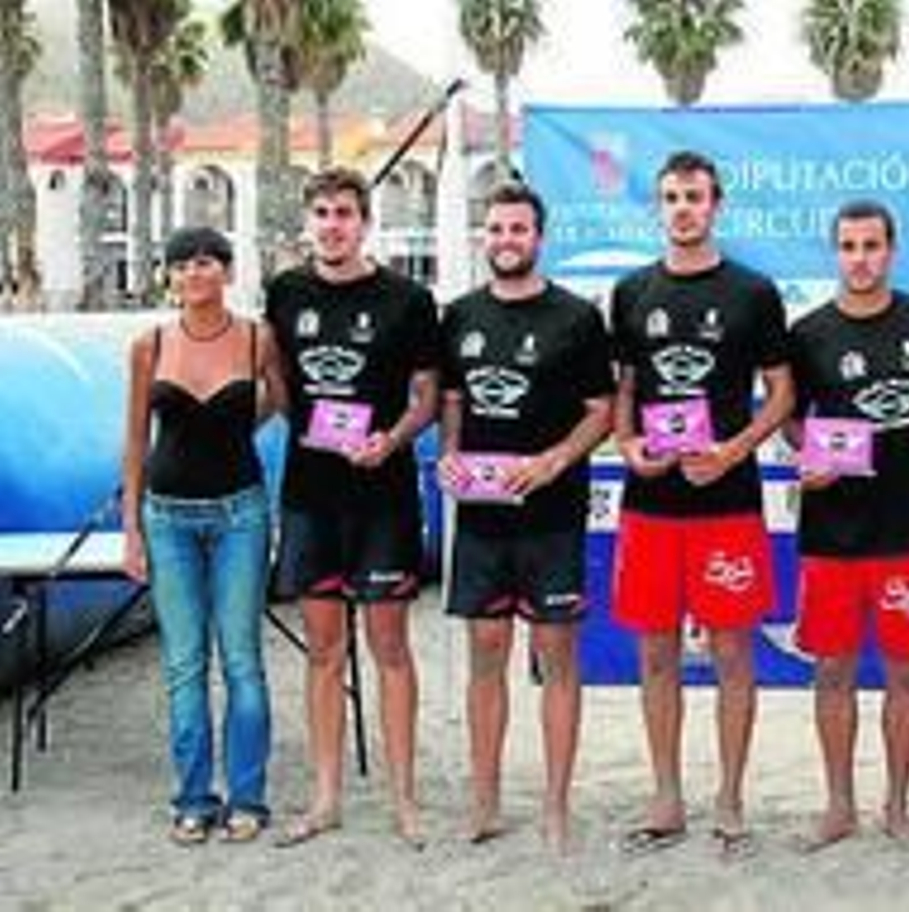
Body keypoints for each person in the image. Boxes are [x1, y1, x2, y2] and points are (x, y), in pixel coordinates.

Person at [609, 150, 794, 858]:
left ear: (717, 204)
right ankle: (666, 794)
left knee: (732, 654)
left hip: (728, 505)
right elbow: (625, 389)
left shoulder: (752, 292)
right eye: (671, 197)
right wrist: (627, 444)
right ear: (658, 208)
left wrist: (734, 449)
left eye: (694, 196)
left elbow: (781, 393)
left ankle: (729, 797)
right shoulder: (631, 292)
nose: (683, 207)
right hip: (650, 504)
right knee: (655, 654)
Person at [266, 167, 441, 849]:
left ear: (365, 222)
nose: (332, 224)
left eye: (344, 212)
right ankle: (326, 797)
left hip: (385, 499)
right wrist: (299, 423)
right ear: (309, 222)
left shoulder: (407, 299)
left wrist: (391, 439)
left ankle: (404, 800)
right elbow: (276, 372)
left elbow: (426, 394)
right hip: (311, 496)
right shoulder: (285, 292)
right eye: (322, 213)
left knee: (390, 646)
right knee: (323, 651)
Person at [437, 182, 615, 852]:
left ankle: (556, 807)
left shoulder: (575, 317)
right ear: (485, 238)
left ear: (539, 237)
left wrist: (553, 461)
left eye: (518, 230)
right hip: (483, 518)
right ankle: (484, 801)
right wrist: (451, 455)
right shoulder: (459, 315)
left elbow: (601, 410)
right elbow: (452, 399)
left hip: (553, 515)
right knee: (486, 653)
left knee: (556, 655)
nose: (506, 240)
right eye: (496, 230)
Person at [786, 201, 909, 850]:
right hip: (833, 535)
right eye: (849, 246)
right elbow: (792, 418)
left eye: (872, 245)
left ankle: (898, 805)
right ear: (835, 252)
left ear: (893, 250)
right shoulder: (808, 334)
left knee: (907, 673)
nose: (861, 258)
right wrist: (810, 456)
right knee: (833, 672)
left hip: (906, 530)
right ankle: (838, 805)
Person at [120, 226, 285, 845]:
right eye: (183, 263)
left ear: (228, 270)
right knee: (184, 666)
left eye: (208, 261)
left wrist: (239, 426)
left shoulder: (256, 339)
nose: (196, 273)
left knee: (242, 660)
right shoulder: (149, 345)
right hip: (167, 518)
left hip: (241, 513)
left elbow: (281, 402)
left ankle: (247, 797)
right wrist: (131, 527)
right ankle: (193, 797)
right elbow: (136, 439)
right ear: (169, 276)